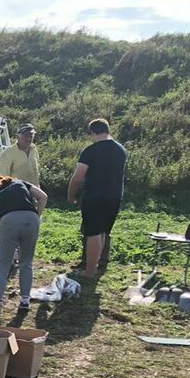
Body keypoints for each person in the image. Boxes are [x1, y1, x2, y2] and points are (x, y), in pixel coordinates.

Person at [67, 118, 127, 277]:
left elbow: (78, 177)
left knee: (93, 232)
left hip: (94, 196)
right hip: (114, 197)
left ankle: (90, 270)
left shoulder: (91, 151)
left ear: (92, 132)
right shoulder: (121, 150)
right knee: (103, 231)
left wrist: (71, 195)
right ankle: (97, 265)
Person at [0, 174, 48, 315]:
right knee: (27, 262)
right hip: (32, 219)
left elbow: (0, 223)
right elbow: (43, 197)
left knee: (3, 264)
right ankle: (25, 300)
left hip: (9, 220)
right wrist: (37, 215)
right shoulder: (20, 182)